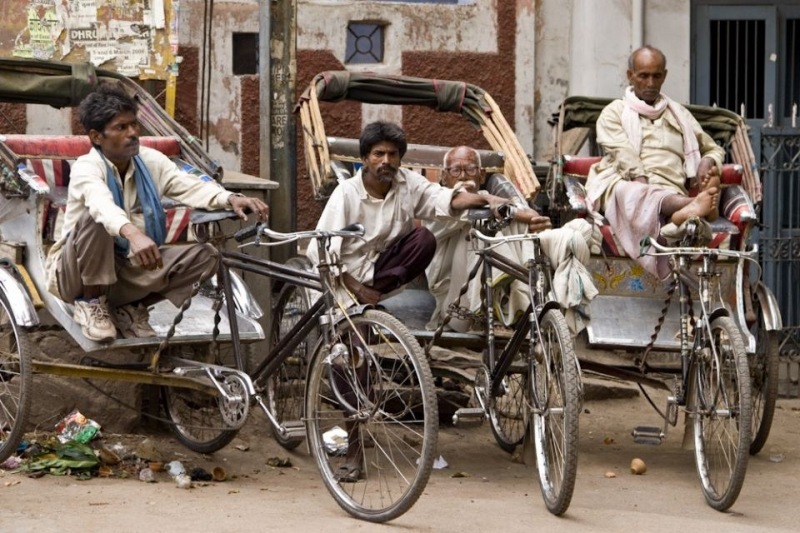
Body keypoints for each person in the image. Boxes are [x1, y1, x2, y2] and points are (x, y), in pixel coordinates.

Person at [44, 84, 269, 343]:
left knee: (205, 256)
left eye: (134, 125)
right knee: (97, 221)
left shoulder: (151, 161)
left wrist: (230, 198)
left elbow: (188, 185)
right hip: (76, 276)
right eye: (121, 128)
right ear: (97, 137)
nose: (133, 134)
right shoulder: (87, 168)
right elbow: (101, 205)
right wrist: (132, 233)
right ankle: (92, 305)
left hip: (124, 271)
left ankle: (132, 307)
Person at [307, 121, 509, 308]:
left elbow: (445, 198)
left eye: (392, 154)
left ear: (399, 159)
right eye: (379, 154)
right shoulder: (346, 193)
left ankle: (369, 301)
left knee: (423, 239)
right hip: (342, 279)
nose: (386, 161)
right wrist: (358, 289)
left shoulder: (407, 183)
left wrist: (487, 199)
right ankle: (362, 303)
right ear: (365, 159)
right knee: (353, 344)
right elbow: (320, 252)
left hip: (378, 273)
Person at [585, 45, 725, 279]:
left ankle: (678, 216)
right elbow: (623, 154)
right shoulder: (614, 112)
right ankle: (691, 206)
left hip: (670, 190)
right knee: (631, 191)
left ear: (665, 76)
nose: (650, 83)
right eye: (643, 76)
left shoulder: (679, 114)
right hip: (626, 186)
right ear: (631, 76)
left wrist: (708, 160)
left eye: (656, 76)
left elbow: (712, 147)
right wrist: (644, 187)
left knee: (660, 198)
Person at [425, 146, 597, 333]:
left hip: (498, 301)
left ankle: (512, 307)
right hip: (457, 310)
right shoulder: (438, 204)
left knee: (509, 223)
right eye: (456, 170)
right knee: (482, 224)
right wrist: (493, 201)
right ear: (444, 176)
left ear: (481, 176)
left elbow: (529, 215)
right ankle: (499, 312)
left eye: (470, 169)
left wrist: (527, 218)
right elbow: (468, 206)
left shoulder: (489, 200)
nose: (463, 176)